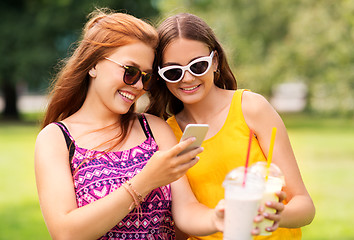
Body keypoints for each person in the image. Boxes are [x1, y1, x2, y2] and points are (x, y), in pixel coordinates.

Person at [34, 9, 230, 240]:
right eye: (130, 72)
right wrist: (145, 182)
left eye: (146, 77)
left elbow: (186, 211)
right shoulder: (56, 138)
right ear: (93, 64)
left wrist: (217, 218)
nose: (138, 85)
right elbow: (66, 233)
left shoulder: (154, 129)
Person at [146, 13, 316, 240]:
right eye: (174, 71)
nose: (186, 79)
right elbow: (184, 216)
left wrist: (278, 216)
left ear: (214, 61)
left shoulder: (252, 108)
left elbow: (304, 205)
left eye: (197, 66)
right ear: (161, 76)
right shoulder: (165, 133)